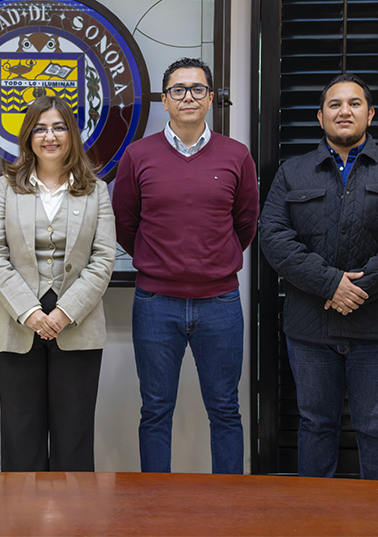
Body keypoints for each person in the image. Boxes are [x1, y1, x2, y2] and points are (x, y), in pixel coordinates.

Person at [258, 74, 378, 480]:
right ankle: (316, 519)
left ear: (370, 114)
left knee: (376, 428)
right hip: (310, 331)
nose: (344, 111)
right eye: (335, 104)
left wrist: (357, 288)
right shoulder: (292, 172)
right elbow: (274, 238)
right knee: (315, 426)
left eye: (354, 104)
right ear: (321, 117)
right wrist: (330, 284)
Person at [112, 57, 259, 474]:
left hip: (220, 302)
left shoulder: (236, 155)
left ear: (211, 98)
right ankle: (156, 504)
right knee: (156, 410)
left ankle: (229, 506)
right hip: (156, 302)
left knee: (226, 409)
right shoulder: (138, 156)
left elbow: (246, 222)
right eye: (179, 90)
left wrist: (215, 259)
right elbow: (126, 223)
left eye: (198, 89)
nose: (188, 97)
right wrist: (158, 261)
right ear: (165, 100)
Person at [0, 96, 115, 472]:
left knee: (73, 435)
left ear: (71, 134)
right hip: (17, 322)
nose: (49, 136)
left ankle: (74, 524)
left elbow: (103, 258)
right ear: (27, 137)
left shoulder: (96, 190)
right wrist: (29, 311)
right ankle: (22, 523)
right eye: (40, 128)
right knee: (21, 433)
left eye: (58, 127)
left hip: (78, 323)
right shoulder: (6, 187)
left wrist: (64, 312)